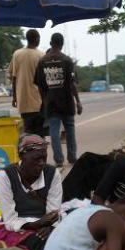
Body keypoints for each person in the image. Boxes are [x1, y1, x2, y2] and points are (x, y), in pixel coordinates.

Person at [0, 134, 62, 250]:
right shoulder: (6, 175)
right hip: (19, 227)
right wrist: (36, 225)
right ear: (22, 157)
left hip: (45, 226)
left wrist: (50, 226)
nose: (41, 163)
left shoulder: (52, 173)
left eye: (44, 158)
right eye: (36, 159)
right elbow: (10, 220)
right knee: (40, 245)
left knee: (64, 240)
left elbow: (54, 211)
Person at [35, 32, 83, 167]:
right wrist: (78, 102)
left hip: (51, 102)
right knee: (70, 129)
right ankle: (72, 157)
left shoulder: (42, 61)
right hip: (67, 101)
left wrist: (44, 99)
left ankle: (59, 160)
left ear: (51, 43)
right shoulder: (67, 60)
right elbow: (72, 83)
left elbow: (39, 85)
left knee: (54, 131)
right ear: (62, 44)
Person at [11, 29, 45, 135]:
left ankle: (29, 151)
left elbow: (14, 77)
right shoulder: (42, 56)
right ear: (37, 39)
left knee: (27, 134)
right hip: (39, 102)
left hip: (24, 102)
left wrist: (14, 97)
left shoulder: (17, 54)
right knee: (39, 134)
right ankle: (39, 151)